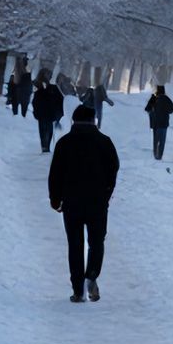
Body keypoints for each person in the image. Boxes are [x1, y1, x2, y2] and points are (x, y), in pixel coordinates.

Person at [48, 104, 119, 303]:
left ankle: (78, 289)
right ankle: (92, 275)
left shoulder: (64, 143)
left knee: (75, 244)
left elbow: (55, 174)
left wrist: (55, 199)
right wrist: (106, 193)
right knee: (97, 242)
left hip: (71, 203)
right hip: (97, 202)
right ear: (94, 120)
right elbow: (113, 169)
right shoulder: (104, 142)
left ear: (73, 121)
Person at [32, 77, 65, 153]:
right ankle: (45, 146)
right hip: (48, 114)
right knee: (47, 130)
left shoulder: (46, 90)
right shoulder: (53, 90)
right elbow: (60, 101)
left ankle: (45, 146)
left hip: (45, 114)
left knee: (44, 130)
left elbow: (35, 102)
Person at [144, 85, 173, 160]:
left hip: (155, 123)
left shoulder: (154, 98)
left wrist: (152, 112)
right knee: (162, 141)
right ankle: (159, 156)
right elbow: (172, 109)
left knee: (156, 140)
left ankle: (155, 155)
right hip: (164, 124)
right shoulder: (166, 99)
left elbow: (147, 108)